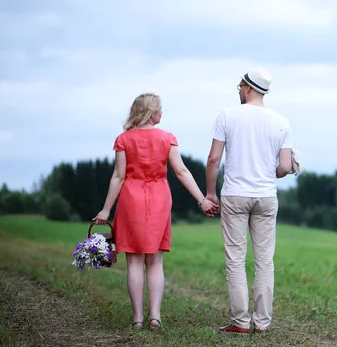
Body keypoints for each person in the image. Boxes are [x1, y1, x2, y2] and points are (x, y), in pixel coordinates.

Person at [93, 93, 218, 330]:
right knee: (155, 261)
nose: (162, 113)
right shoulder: (167, 138)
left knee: (134, 261)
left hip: (131, 199)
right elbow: (181, 171)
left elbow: (119, 176)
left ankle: (138, 318)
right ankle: (155, 316)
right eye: (160, 109)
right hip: (159, 199)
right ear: (151, 112)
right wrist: (201, 199)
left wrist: (106, 209)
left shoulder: (123, 139)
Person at [205, 66, 293, 333]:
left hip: (235, 194)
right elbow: (285, 167)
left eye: (239, 87)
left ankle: (241, 322)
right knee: (265, 260)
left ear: (247, 87)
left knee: (235, 258)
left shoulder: (227, 115)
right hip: (266, 196)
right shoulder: (282, 122)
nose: (239, 91)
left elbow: (213, 159)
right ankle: (263, 323)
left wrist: (210, 193)